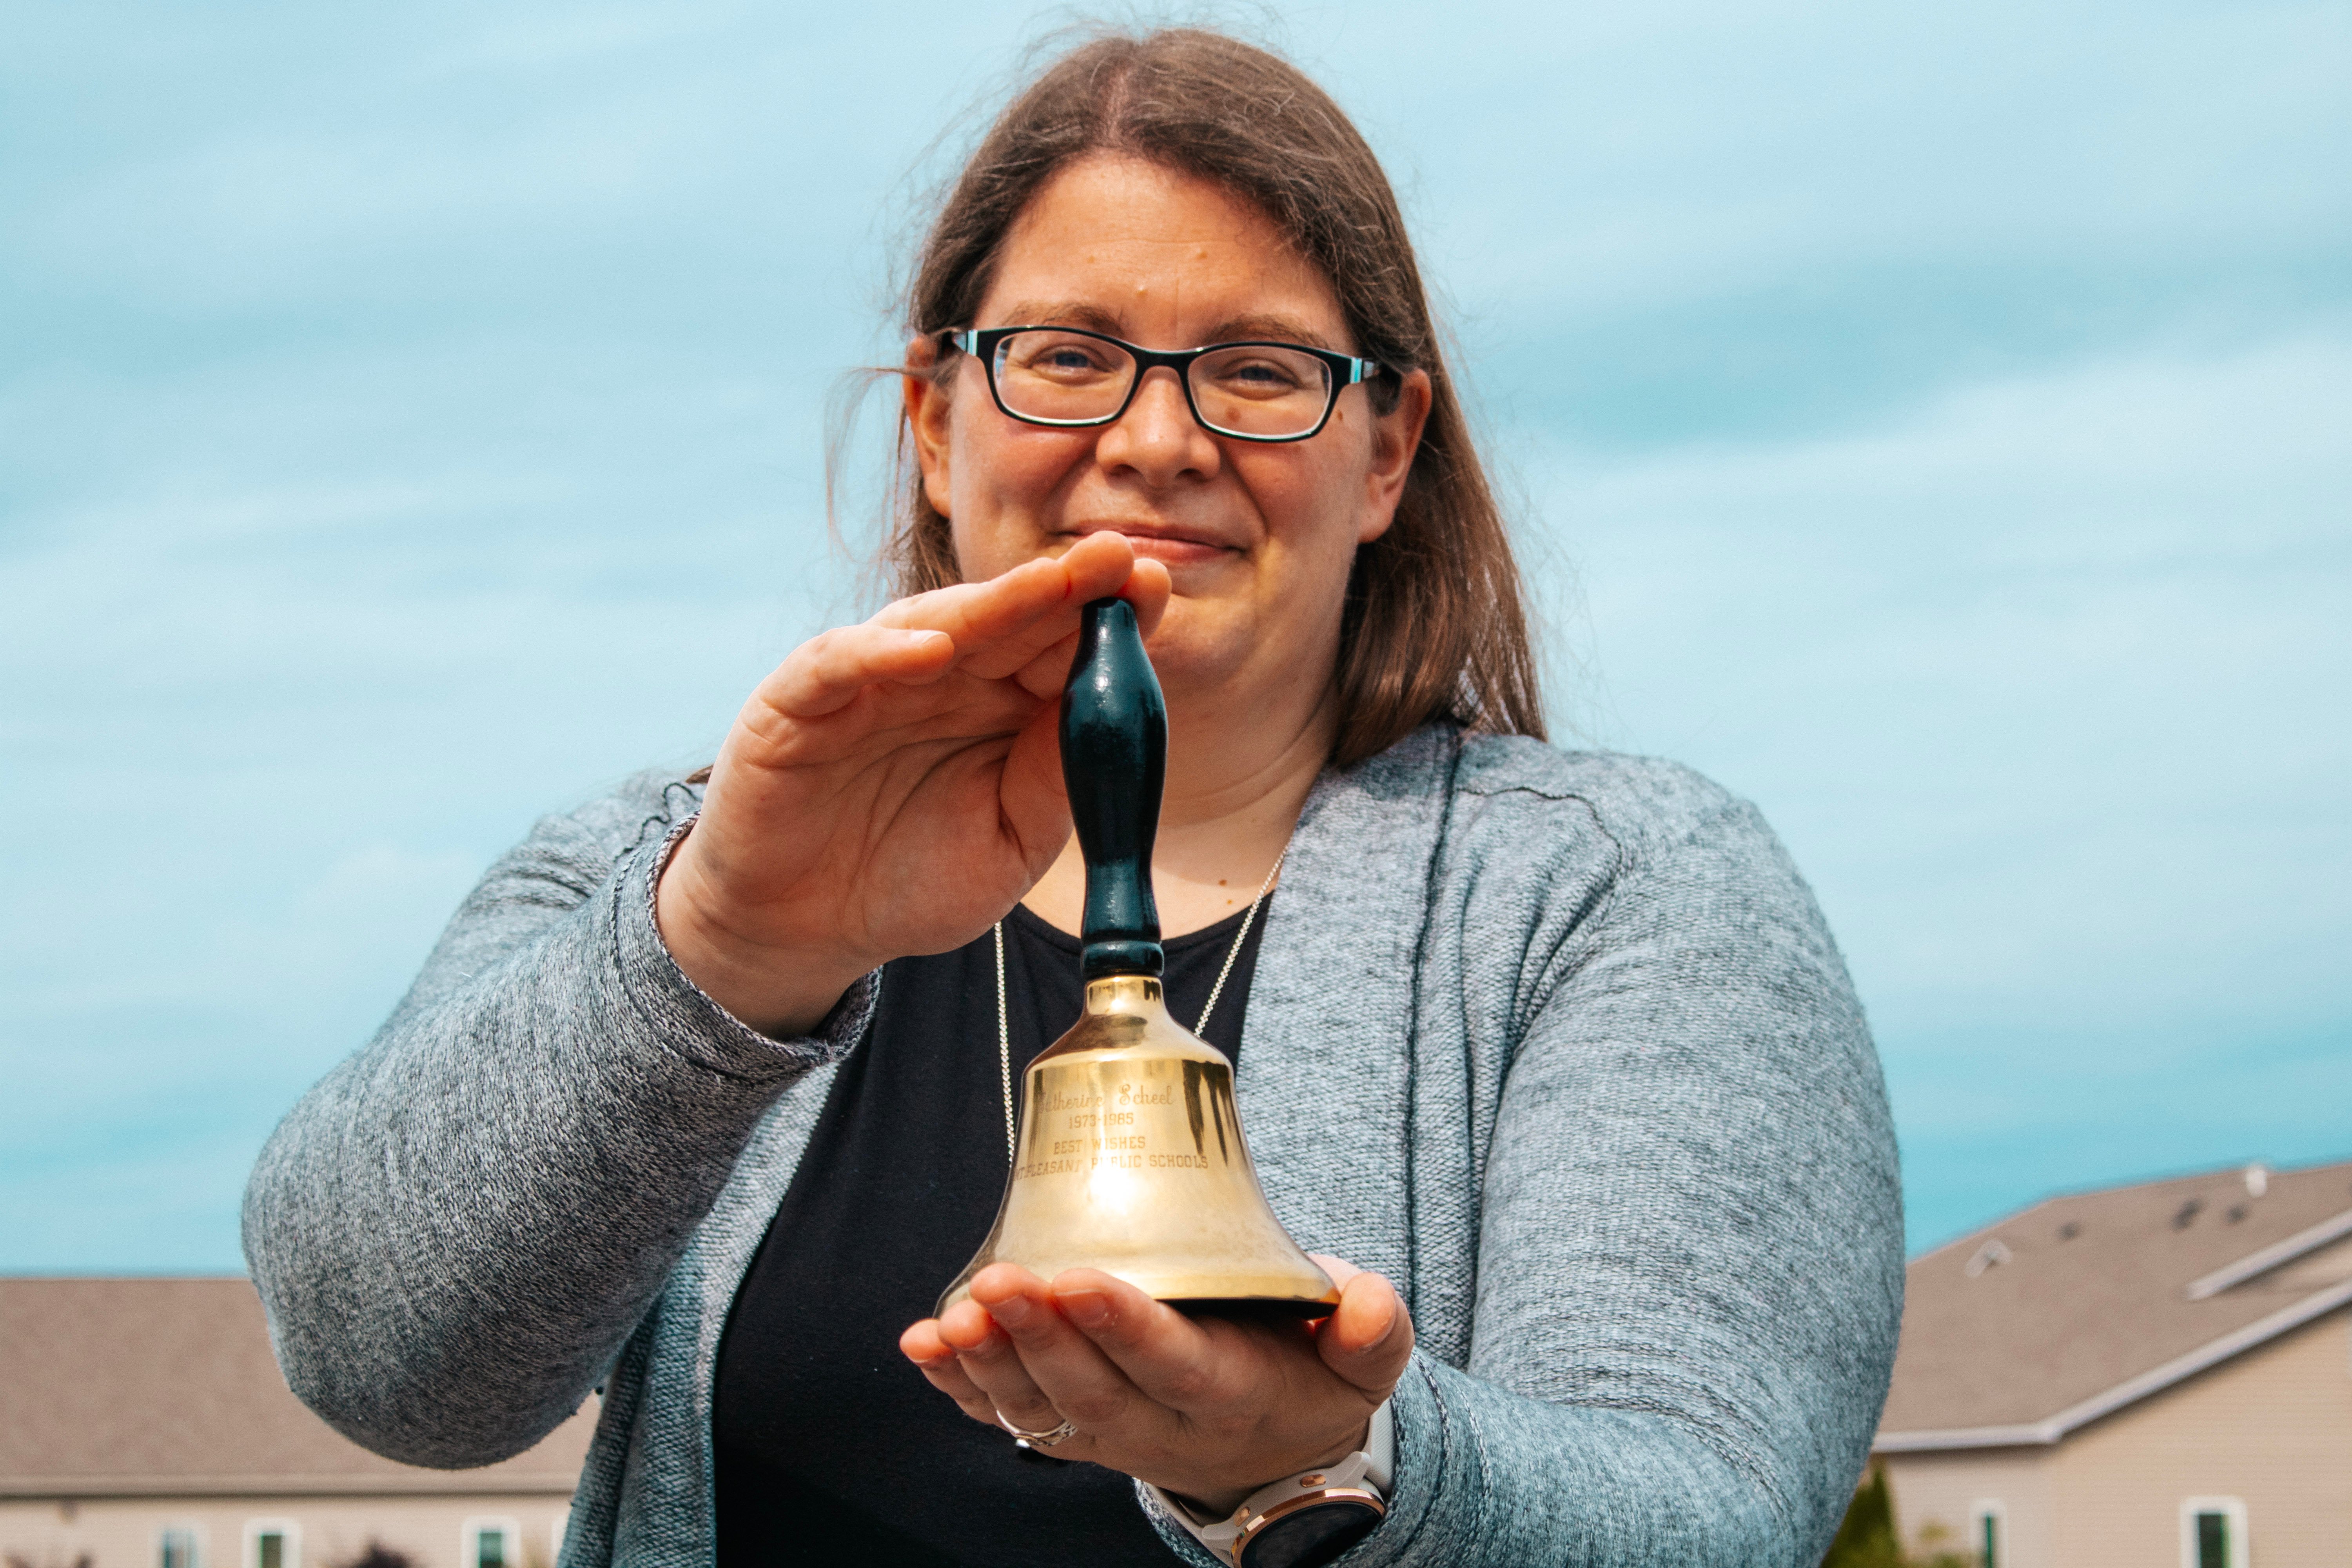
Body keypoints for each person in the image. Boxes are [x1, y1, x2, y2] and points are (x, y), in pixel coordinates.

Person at [243, 26, 1902, 1568]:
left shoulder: (1618, 889)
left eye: (1258, 369)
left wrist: (1330, 1465)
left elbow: (1712, 1510)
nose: (1159, 438)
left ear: (1386, 449)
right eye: (1067, 356)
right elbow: (386, 1365)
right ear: (934, 419)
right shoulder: (665, 864)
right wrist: (723, 949)